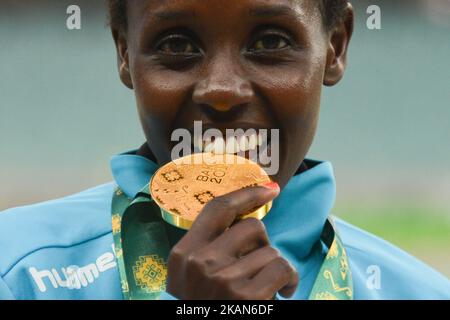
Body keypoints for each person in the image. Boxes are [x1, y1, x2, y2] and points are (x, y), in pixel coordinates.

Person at [1, 0, 449, 300]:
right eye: (176, 45)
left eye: (270, 42)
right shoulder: (17, 269)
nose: (221, 90)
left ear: (335, 46)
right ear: (124, 53)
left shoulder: (419, 292)